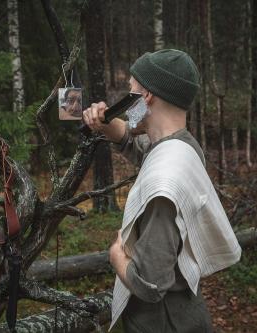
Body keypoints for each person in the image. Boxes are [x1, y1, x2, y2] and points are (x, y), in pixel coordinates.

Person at [82, 49, 241, 332]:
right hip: (183, 315)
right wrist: (106, 126)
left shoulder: (164, 181)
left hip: (163, 323)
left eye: (130, 92)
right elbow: (144, 150)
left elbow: (151, 284)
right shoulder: (184, 148)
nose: (128, 100)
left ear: (146, 98)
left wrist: (116, 255)